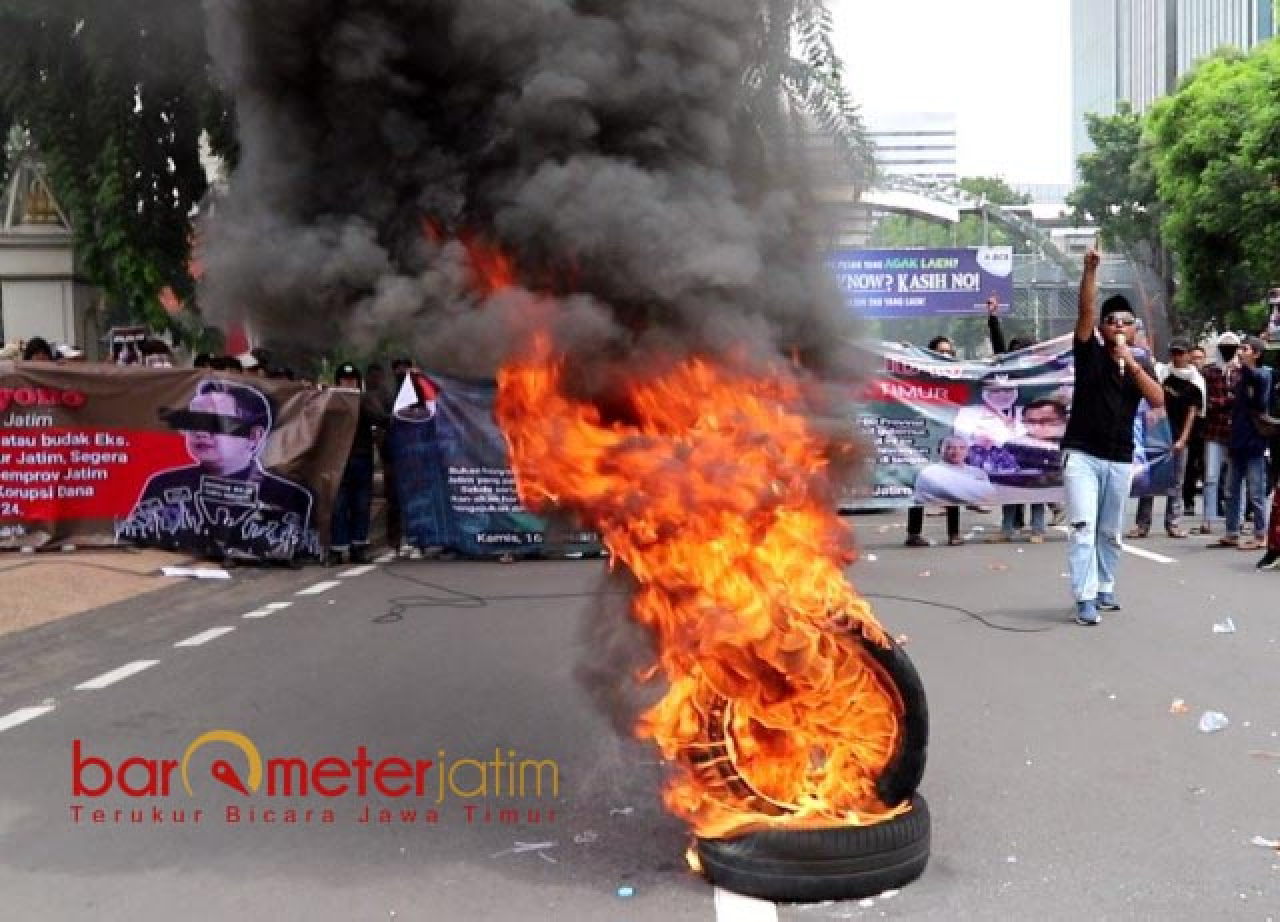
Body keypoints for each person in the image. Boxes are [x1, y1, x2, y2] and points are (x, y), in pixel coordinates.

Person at [1060, 249, 1165, 625]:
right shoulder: (1088, 352)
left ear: (1135, 329)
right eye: (1112, 321)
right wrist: (1090, 270)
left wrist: (1132, 361)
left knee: (1110, 530)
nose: (1118, 325)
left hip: (1120, 457)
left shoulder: (1140, 363)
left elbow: (1157, 400)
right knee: (1084, 528)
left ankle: (1105, 586)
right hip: (1082, 455)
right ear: (1102, 328)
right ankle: (1084, 597)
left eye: (1126, 321)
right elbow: (1085, 312)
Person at [116, 379, 314, 561]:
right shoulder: (163, 485)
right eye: (194, 423)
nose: (201, 433)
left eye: (215, 423)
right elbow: (134, 535)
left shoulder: (288, 495)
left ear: (254, 437)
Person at [1127, 339, 1202, 539]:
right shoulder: (1162, 375)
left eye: (1181, 353)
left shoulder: (1195, 382)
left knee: (1175, 483)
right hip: (1157, 435)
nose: (1177, 357)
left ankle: (1173, 523)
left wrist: (1183, 439)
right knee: (1149, 481)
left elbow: (1192, 413)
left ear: (1188, 355)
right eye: (1174, 353)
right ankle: (1142, 524)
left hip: (1178, 437)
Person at [1212, 336, 1272, 551]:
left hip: (1254, 441)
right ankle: (1232, 532)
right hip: (1236, 439)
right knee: (1231, 489)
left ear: (1256, 353)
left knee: (1256, 491)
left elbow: (1259, 395)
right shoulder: (1239, 377)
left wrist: (1242, 367)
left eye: (1245, 349)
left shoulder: (1262, 375)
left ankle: (1260, 534)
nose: (1240, 352)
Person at [326, 362, 388, 566]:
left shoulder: (365, 400)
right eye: (344, 380)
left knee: (361, 505)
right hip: (338, 460)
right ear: (338, 381)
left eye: (352, 380)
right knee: (338, 506)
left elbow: (380, 419)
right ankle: (337, 548)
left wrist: (362, 404)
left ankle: (359, 547)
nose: (348, 383)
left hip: (361, 458)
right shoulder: (330, 401)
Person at [904, 337, 963, 547]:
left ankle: (954, 533)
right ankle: (913, 533)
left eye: (949, 352)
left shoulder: (961, 374)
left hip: (949, 436)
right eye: (940, 352)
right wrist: (905, 352)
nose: (945, 356)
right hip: (924, 437)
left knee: (951, 485)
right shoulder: (920, 377)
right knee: (919, 482)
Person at [1198, 332, 1239, 533]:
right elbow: (1208, 402)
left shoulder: (1241, 372)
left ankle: (1235, 519)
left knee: (1235, 479)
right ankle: (1208, 519)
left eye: (1233, 346)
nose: (1228, 350)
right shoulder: (1209, 372)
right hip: (1214, 430)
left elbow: (1242, 401)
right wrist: (1228, 400)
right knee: (1211, 477)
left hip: (1235, 432)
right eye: (1225, 346)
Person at [912, 434, 996, 507]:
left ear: (967, 451)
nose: (957, 451)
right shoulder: (930, 472)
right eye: (950, 447)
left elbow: (989, 497)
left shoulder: (978, 472)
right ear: (939, 450)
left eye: (962, 448)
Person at [1182, 344, 1209, 515]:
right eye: (1194, 358)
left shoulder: (1208, 377)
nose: (1197, 361)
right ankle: (1188, 501)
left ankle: (1211, 505)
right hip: (1191, 425)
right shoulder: (1187, 377)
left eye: (1200, 358)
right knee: (1190, 465)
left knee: (1208, 466)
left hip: (1207, 425)